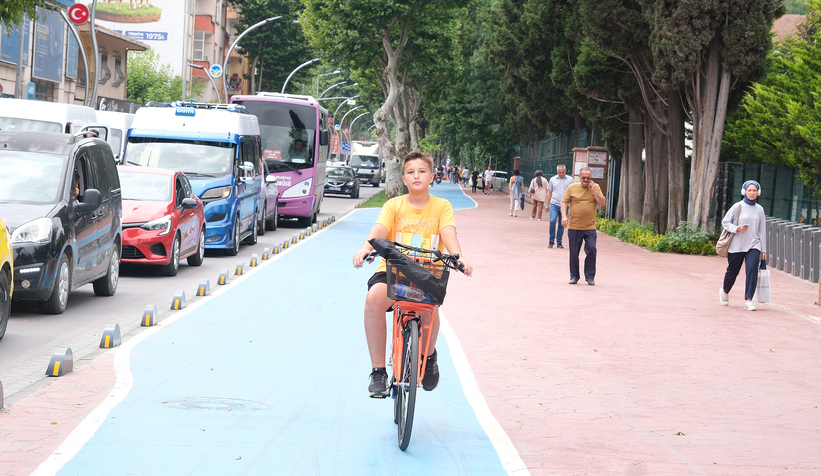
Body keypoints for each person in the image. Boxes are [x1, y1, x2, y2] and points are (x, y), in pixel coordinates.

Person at [353, 151, 473, 398]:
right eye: (410, 172)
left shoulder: (442, 206)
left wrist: (459, 257)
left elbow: (449, 233)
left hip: (428, 272)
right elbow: (380, 229)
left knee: (430, 307)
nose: (416, 175)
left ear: (431, 176)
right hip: (393, 269)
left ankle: (428, 357)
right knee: (373, 300)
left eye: (421, 171)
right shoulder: (393, 205)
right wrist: (366, 247)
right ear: (403, 179)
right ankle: (378, 372)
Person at [719, 180, 767, 311]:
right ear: (744, 191)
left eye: (754, 190)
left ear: (758, 192)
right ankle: (724, 290)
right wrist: (737, 228)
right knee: (733, 272)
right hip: (737, 244)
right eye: (749, 190)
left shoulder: (760, 209)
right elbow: (725, 222)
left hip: (754, 244)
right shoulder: (737, 206)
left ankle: (749, 299)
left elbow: (762, 230)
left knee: (752, 270)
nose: (752, 193)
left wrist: (763, 249)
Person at [561, 167, 605, 285]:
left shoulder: (595, 187)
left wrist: (594, 191)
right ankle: (574, 276)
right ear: (579, 177)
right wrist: (564, 216)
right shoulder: (572, 188)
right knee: (574, 253)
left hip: (590, 226)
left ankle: (590, 276)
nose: (586, 180)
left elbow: (602, 203)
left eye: (588, 178)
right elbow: (564, 203)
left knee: (591, 249)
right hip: (575, 226)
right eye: (584, 177)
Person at [545, 164, 574, 248]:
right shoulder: (552, 179)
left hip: (565, 205)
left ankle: (559, 242)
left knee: (562, 223)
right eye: (559, 172)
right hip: (554, 203)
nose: (561, 174)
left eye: (563, 172)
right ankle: (551, 240)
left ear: (565, 171)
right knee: (552, 221)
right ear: (557, 172)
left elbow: (572, 193)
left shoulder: (570, 180)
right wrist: (547, 204)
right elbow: (549, 192)